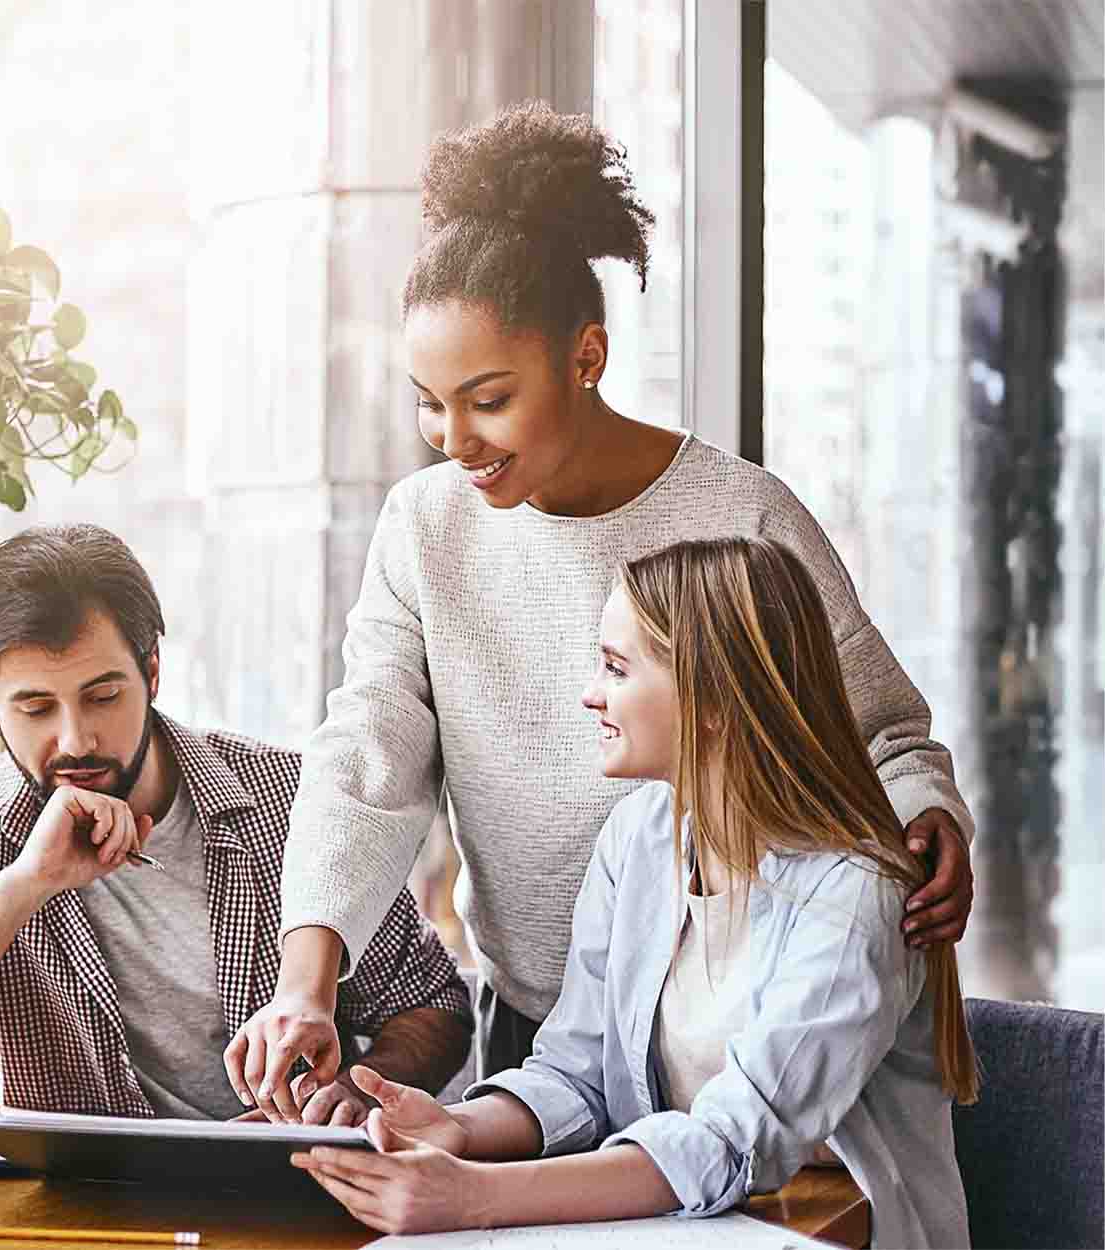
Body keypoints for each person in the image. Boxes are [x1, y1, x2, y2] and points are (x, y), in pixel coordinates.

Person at [226, 101, 975, 1120]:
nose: (453, 435)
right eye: (429, 399)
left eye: (488, 397)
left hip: (743, 1019)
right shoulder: (423, 526)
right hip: (552, 1035)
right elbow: (368, 758)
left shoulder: (739, 513)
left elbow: (880, 731)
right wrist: (303, 983)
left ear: (587, 357)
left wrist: (925, 812)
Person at [291, 538, 977, 1248]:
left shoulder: (857, 891)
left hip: (831, 1229)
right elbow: (576, 1072)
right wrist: (456, 1129)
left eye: (616, 668)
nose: (591, 694)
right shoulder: (639, 837)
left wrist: (473, 1198)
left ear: (714, 698)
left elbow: (733, 1141)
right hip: (680, 1222)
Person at [0, 524, 473, 1123]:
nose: (75, 740)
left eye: (102, 696)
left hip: (283, 1194)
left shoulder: (292, 799)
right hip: (79, 1212)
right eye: (35, 708)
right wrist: (22, 885)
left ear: (151, 671)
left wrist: (361, 1089)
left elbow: (431, 1003)